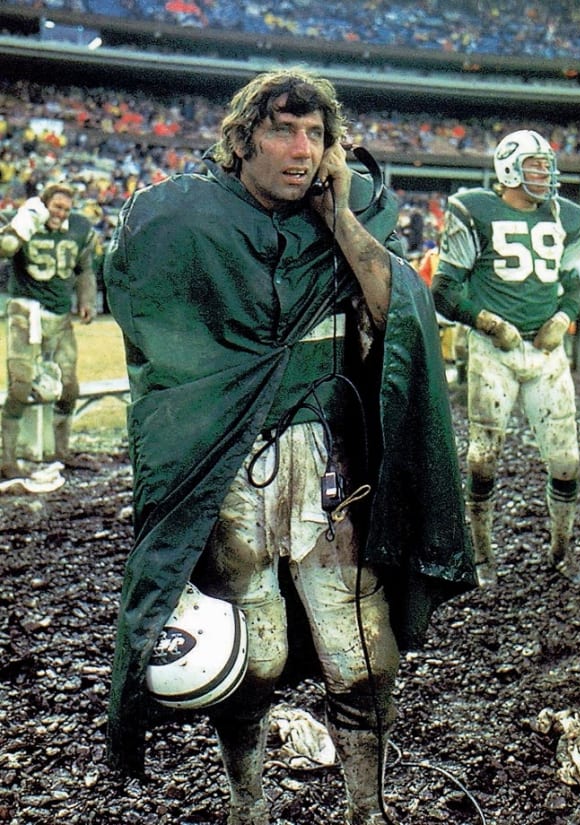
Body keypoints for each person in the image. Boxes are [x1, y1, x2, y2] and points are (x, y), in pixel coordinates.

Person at [104, 69, 475, 825]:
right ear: (242, 140)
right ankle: (249, 803)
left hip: (332, 466)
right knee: (255, 654)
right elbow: (164, 362)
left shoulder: (349, 215)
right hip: (233, 469)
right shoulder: (184, 220)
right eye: (283, 129)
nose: (301, 149)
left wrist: (338, 217)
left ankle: (368, 809)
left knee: (362, 650)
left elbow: (397, 312)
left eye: (316, 134)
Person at [432, 129, 580, 587]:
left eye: (546, 164)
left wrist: (564, 315)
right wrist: (487, 322)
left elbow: (576, 285)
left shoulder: (563, 215)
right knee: (483, 459)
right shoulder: (475, 209)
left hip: (546, 352)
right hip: (493, 350)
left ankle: (562, 551)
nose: (545, 173)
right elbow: (444, 289)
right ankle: (482, 557)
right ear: (508, 168)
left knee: (567, 461)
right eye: (535, 165)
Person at [0, 182, 99, 479]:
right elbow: (4, 249)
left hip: (59, 315)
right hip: (25, 313)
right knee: (20, 385)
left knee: (69, 387)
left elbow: (84, 269)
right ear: (44, 204)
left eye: (66, 209)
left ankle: (60, 450)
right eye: (56, 206)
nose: (61, 213)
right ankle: (7, 458)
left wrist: (86, 300)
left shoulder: (80, 227)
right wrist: (24, 223)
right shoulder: (25, 218)